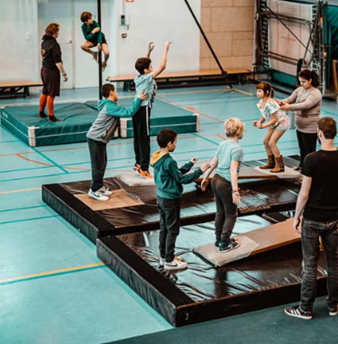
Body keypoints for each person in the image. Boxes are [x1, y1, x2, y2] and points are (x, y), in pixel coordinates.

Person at [284, 117, 338, 320]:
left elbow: (304, 194)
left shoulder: (311, 159)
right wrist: (337, 212)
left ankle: (305, 309)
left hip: (313, 218)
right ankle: (333, 305)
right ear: (335, 133)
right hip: (334, 218)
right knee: (333, 263)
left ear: (319, 133)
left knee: (310, 264)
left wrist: (296, 216)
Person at [151, 129, 210, 270]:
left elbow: (175, 173)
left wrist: (189, 164)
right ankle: (169, 261)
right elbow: (181, 179)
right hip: (171, 200)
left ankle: (164, 256)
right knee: (172, 230)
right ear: (169, 144)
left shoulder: (157, 157)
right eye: (175, 142)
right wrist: (199, 171)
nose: (176, 145)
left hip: (161, 197)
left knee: (164, 228)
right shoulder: (169, 161)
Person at [86, 83, 147, 201]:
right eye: (116, 91)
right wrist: (138, 100)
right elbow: (128, 113)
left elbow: (126, 110)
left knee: (102, 163)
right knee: (98, 165)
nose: (117, 93)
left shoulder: (111, 105)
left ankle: (99, 186)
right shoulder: (110, 106)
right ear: (111, 93)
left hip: (100, 138)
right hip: (96, 138)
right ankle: (94, 190)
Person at [200, 118, 245, 252]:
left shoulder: (223, 144)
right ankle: (224, 243)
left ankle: (218, 238)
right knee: (231, 214)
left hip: (215, 180)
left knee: (220, 212)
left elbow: (213, 163)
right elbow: (233, 170)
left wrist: (205, 177)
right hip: (225, 183)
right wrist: (235, 191)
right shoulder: (237, 149)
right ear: (239, 131)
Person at [132, 41, 171, 179]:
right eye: (150, 66)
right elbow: (162, 66)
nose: (152, 67)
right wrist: (166, 48)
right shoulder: (148, 78)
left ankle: (138, 162)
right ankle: (144, 168)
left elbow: (144, 66)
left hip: (136, 108)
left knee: (138, 137)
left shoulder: (138, 77)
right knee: (144, 138)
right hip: (143, 109)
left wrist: (149, 52)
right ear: (146, 70)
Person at [278, 69, 322, 171]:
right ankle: (302, 166)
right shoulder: (299, 90)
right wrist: (280, 102)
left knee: (309, 150)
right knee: (302, 149)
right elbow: (289, 99)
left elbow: (306, 105)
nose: (301, 84)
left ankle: (311, 170)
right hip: (300, 126)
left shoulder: (316, 93)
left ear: (310, 80)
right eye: (300, 81)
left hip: (310, 126)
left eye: (303, 82)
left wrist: (290, 107)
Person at [253, 82, 290, 173]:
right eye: (257, 91)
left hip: (281, 122)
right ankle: (271, 163)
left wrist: (263, 126)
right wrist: (259, 122)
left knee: (272, 143)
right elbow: (265, 115)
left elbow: (274, 119)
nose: (257, 93)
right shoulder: (261, 102)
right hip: (274, 122)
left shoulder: (270, 103)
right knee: (265, 141)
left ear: (266, 92)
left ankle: (280, 166)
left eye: (260, 91)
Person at [39, 23, 68, 122]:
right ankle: (51, 117)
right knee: (51, 94)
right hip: (51, 71)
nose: (58, 33)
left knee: (45, 91)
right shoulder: (54, 44)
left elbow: (43, 56)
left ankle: (41, 112)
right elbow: (57, 61)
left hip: (44, 69)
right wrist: (64, 73)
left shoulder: (44, 42)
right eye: (57, 31)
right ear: (54, 32)